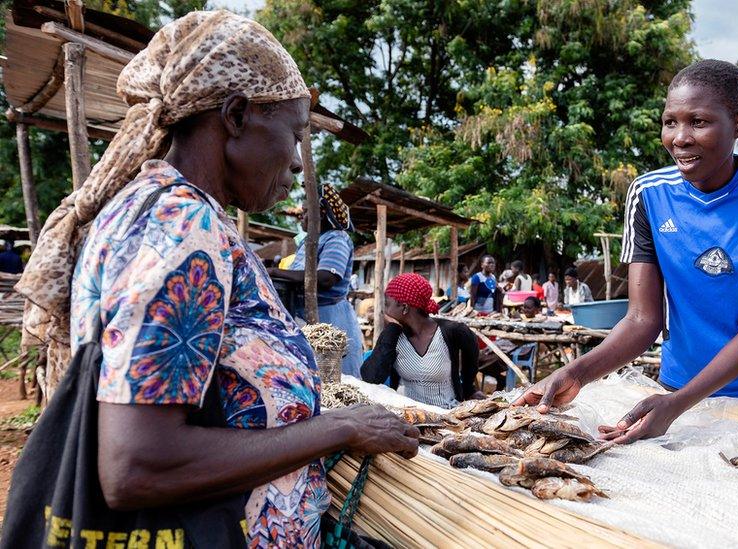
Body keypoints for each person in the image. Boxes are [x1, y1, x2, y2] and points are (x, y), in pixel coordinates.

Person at [18, 12, 418, 545]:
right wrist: (339, 428)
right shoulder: (182, 225)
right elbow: (139, 465)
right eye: (294, 135)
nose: (299, 164)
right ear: (234, 116)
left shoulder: (167, 213)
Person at [515, 59, 738, 442]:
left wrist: (677, 404)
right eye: (670, 122)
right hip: (675, 391)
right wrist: (577, 373)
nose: (680, 138)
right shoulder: (649, 194)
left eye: (699, 122)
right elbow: (642, 319)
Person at [269, 186, 364, 378]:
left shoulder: (336, 238)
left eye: (305, 212)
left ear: (320, 215)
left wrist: (275, 272)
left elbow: (326, 277)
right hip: (305, 315)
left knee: (337, 377)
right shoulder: (310, 241)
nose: (301, 217)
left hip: (329, 317)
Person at [362, 273, 480, 407]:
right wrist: (392, 329)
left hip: (446, 413)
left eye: (387, 304)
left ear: (405, 307)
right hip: (406, 414)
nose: (385, 311)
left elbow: (472, 355)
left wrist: (468, 390)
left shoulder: (452, 332)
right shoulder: (392, 335)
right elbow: (371, 378)